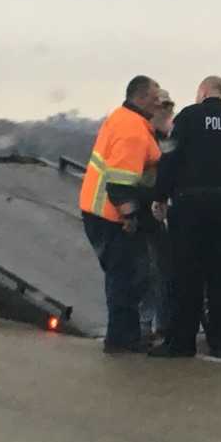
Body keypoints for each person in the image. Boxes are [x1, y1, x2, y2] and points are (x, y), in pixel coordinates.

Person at [149, 75, 221, 358]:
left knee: (186, 276)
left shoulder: (189, 117)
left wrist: (160, 196)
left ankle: (181, 342)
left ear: (202, 92)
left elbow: (169, 159)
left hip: (191, 208)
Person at [79, 75, 164, 354]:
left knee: (125, 276)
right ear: (139, 97)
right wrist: (130, 217)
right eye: (154, 98)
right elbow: (119, 184)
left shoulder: (125, 118)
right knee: (125, 278)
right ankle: (120, 339)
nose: (158, 102)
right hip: (110, 215)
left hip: (98, 210)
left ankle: (123, 337)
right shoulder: (133, 132)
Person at [139, 90, 177, 341]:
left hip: (162, 212)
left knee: (163, 269)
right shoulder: (144, 137)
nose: (166, 109)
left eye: (169, 105)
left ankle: (161, 324)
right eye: (161, 105)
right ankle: (145, 325)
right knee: (148, 270)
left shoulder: (172, 138)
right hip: (143, 210)